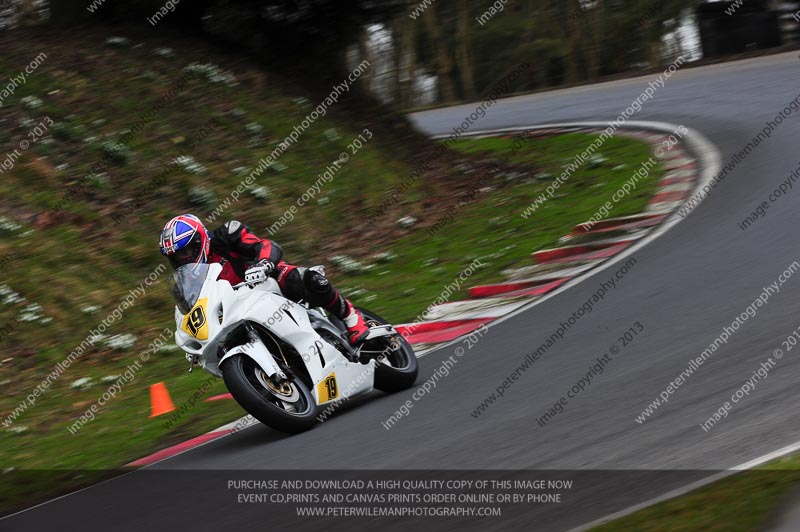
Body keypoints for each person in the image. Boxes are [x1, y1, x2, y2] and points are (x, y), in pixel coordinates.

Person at [158, 213, 370, 344]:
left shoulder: (227, 235)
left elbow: (266, 245)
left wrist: (264, 263)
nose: (183, 259)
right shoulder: (187, 281)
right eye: (176, 257)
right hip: (235, 310)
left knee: (306, 279)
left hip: (265, 284)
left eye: (186, 252)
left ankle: (352, 318)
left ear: (199, 241)